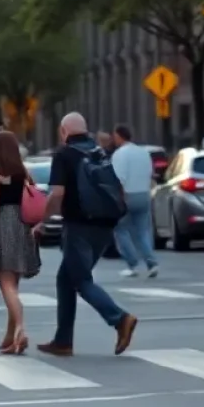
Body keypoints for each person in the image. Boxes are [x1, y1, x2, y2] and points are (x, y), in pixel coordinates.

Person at [36, 112, 137, 358]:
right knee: (65, 279)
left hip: (78, 225)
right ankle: (63, 340)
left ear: (63, 131)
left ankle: (120, 318)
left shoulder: (63, 154)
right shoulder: (100, 152)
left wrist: (40, 221)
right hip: (104, 226)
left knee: (81, 280)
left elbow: (57, 193)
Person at [0, 130, 42, 354]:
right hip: (23, 225)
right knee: (13, 285)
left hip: (4, 225)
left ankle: (20, 330)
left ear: (0, 148)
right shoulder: (23, 172)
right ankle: (10, 337)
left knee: (6, 284)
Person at [110, 123, 158, 279]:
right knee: (143, 231)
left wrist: (118, 199)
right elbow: (150, 174)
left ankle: (132, 264)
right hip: (143, 194)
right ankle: (151, 263)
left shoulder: (119, 154)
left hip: (127, 195)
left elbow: (119, 179)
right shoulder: (144, 153)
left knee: (120, 230)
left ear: (118, 136)